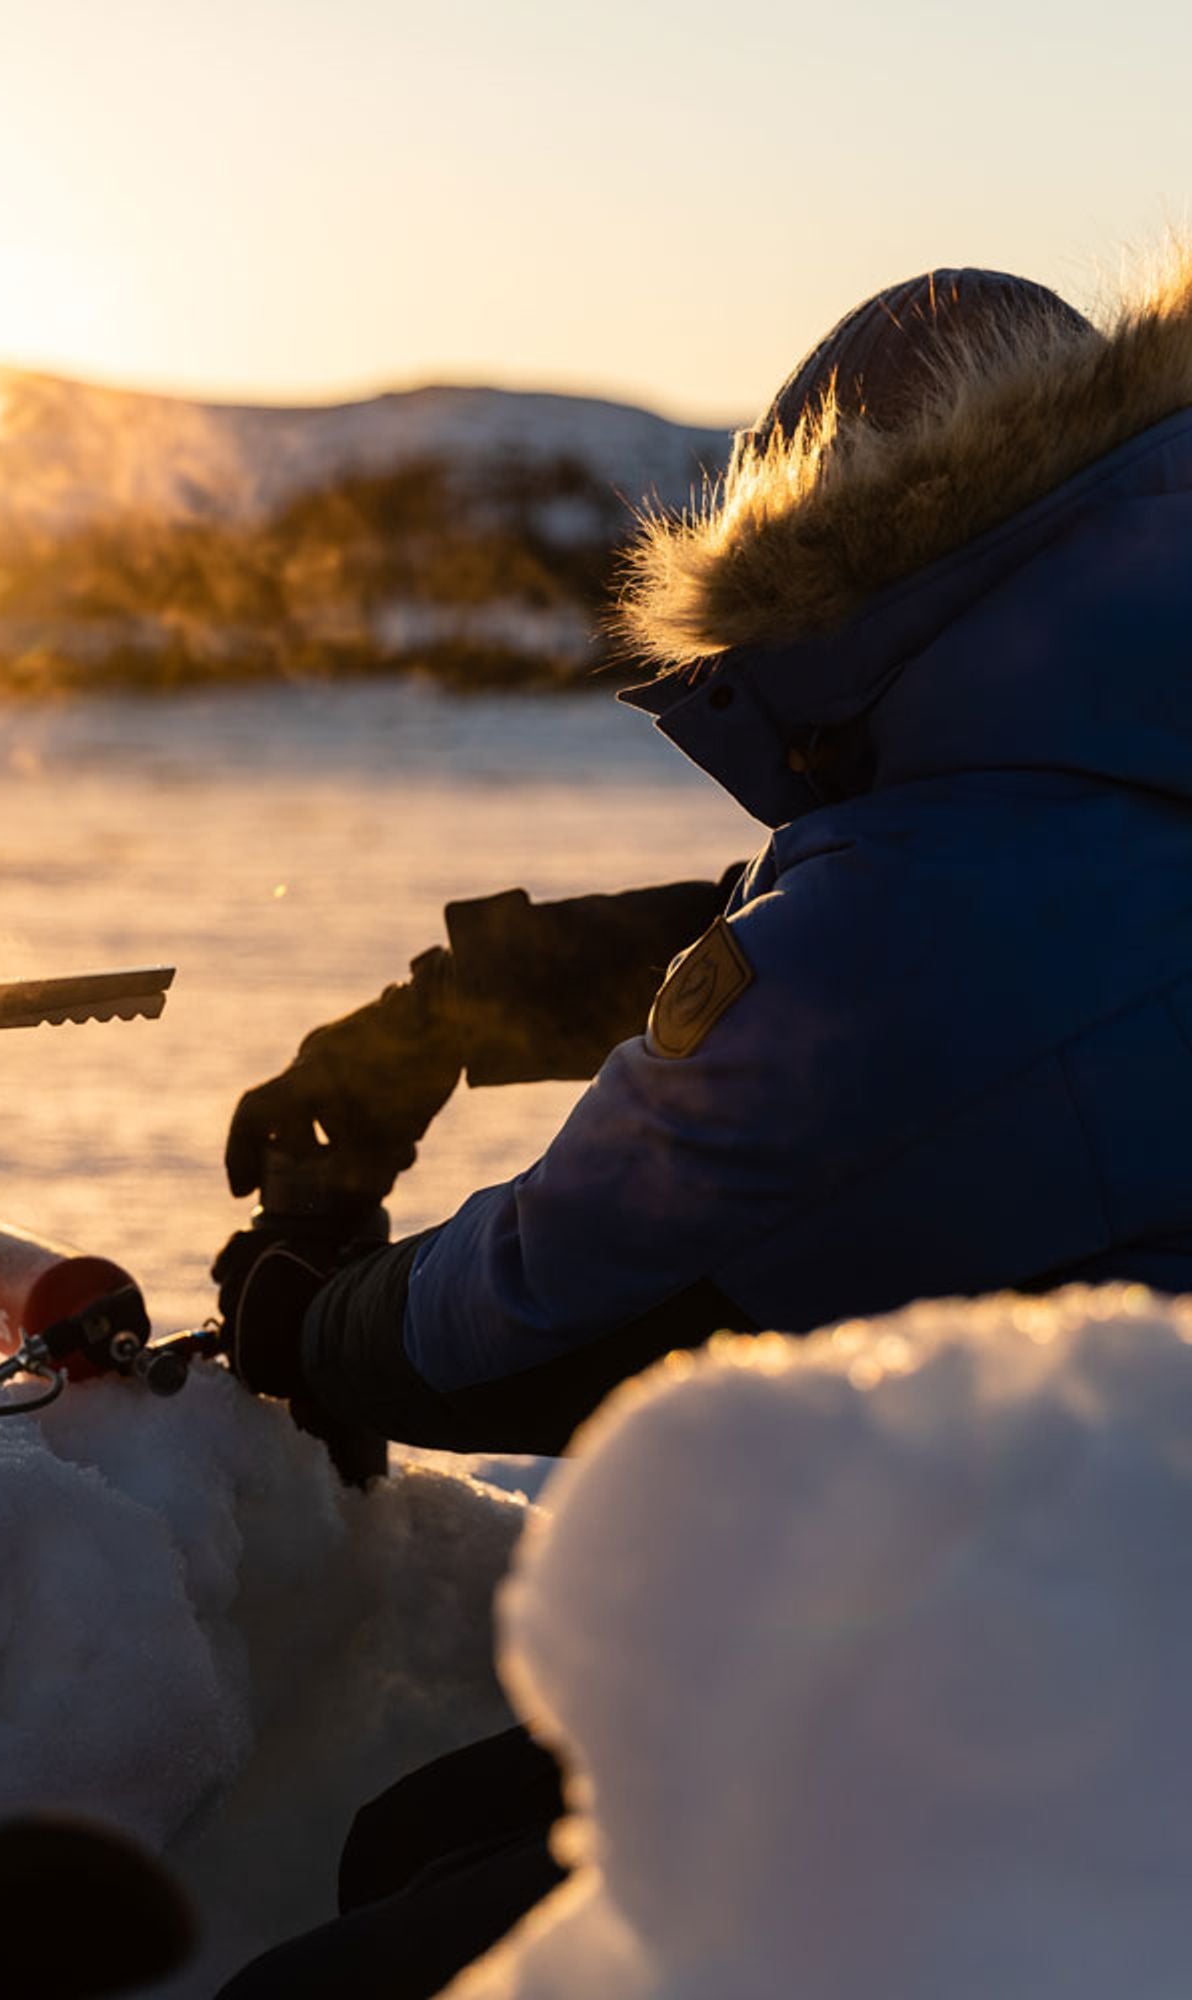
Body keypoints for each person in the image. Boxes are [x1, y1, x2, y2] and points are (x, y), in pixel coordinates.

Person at [214, 254, 1192, 1996]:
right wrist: (456, 1007)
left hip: (1094, 1716)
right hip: (1099, 1593)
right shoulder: (1113, 739)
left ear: (851, 564)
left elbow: (544, 1281)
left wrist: (315, 1308)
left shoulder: (930, 902)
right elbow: (825, 930)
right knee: (423, 1839)